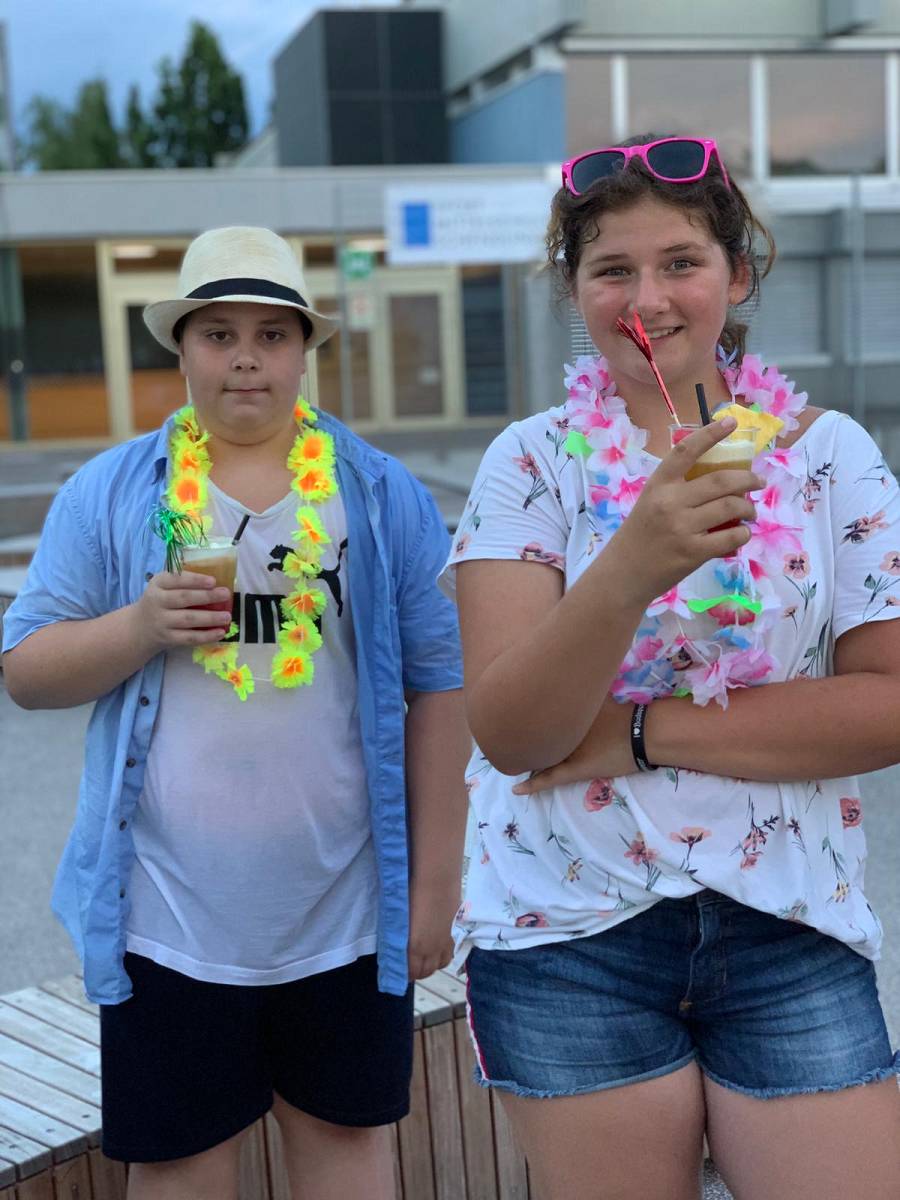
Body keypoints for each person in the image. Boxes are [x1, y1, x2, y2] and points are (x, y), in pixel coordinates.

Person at [443, 135, 900, 1199]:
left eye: (680, 262)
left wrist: (639, 734)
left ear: (736, 275)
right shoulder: (529, 462)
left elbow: (888, 706)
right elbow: (511, 734)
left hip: (789, 918)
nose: (646, 298)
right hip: (566, 932)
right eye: (611, 269)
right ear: (576, 290)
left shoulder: (831, 455)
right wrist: (633, 563)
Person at [2, 225, 470, 1200]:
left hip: (346, 913)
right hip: (165, 921)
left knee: (346, 1150)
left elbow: (443, 685)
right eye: (218, 334)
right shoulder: (112, 492)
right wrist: (139, 626)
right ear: (181, 350)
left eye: (272, 334)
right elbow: (26, 671)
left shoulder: (378, 493)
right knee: (178, 1167)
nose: (246, 358)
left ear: (305, 350)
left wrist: (433, 887)